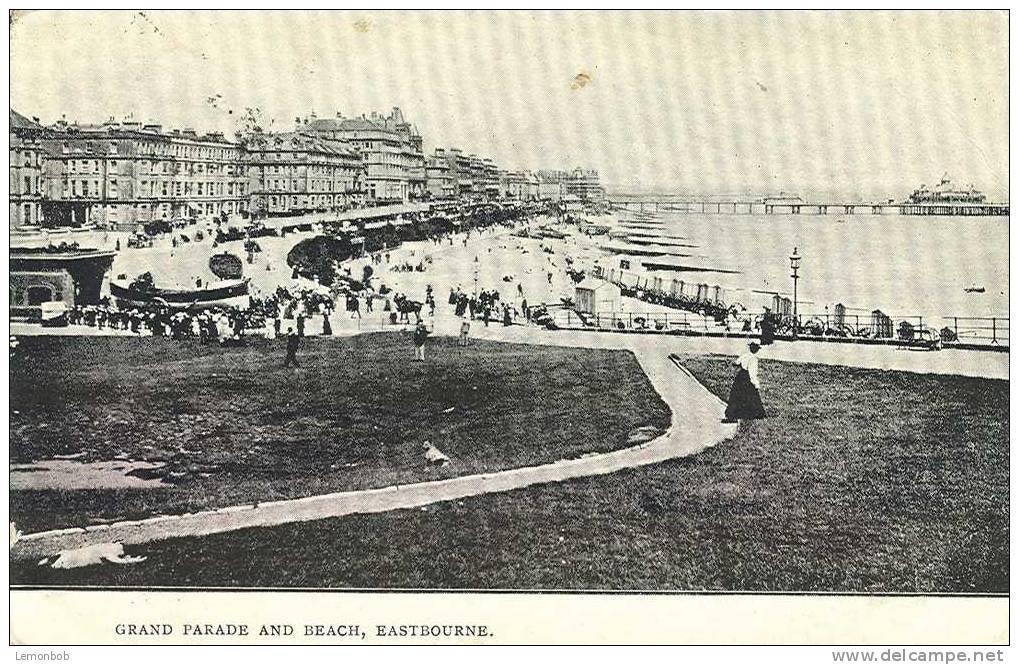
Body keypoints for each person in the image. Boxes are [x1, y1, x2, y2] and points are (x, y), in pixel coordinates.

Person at [723, 342, 766, 427]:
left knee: (737, 395)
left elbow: (737, 362)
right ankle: (750, 413)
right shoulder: (754, 359)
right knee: (750, 395)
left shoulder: (745, 355)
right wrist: (756, 383)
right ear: (756, 350)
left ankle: (734, 414)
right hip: (747, 378)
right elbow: (752, 373)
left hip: (740, 376)